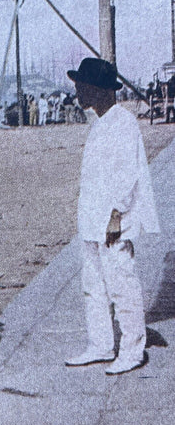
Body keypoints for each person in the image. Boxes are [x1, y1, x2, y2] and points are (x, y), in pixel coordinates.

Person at [65, 57, 160, 375]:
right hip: (92, 219)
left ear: (99, 90)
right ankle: (101, 345)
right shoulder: (99, 122)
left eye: (82, 87)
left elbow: (126, 176)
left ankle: (133, 349)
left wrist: (116, 217)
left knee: (121, 284)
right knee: (94, 285)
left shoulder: (122, 121)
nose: (78, 93)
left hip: (113, 221)